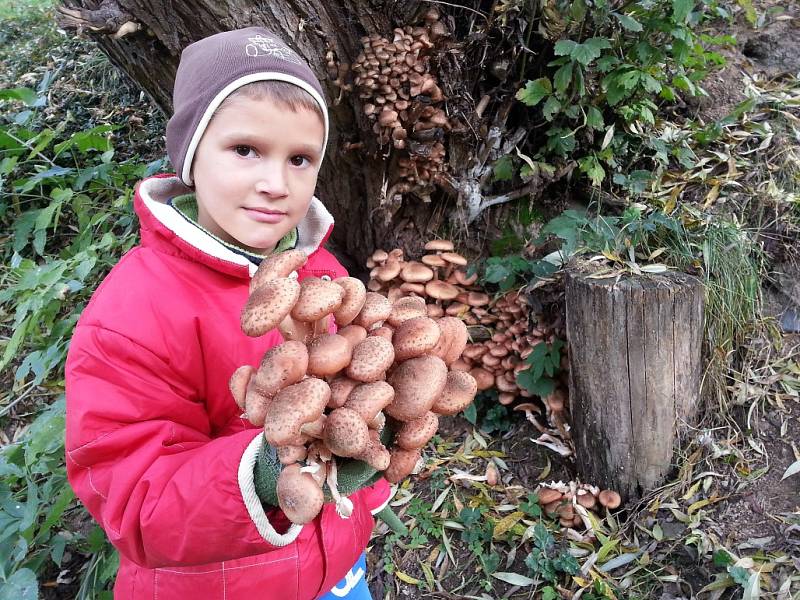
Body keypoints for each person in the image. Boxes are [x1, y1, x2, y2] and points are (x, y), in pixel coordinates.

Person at [65, 27, 392, 600]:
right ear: (190, 155)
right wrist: (264, 473)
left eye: (299, 159)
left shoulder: (323, 274)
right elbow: (134, 500)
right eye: (245, 150)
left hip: (336, 572)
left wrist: (362, 465)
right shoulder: (132, 315)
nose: (274, 183)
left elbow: (352, 399)